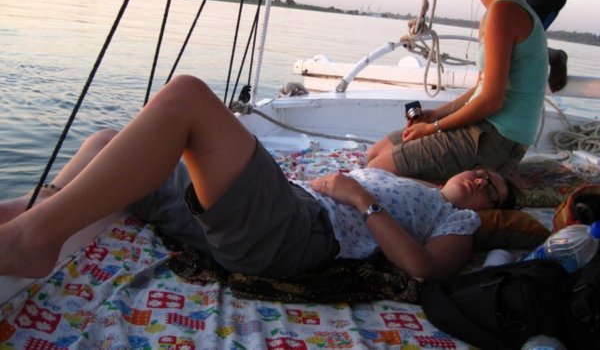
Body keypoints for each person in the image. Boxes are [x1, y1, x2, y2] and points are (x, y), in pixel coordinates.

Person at [0, 75, 517, 283]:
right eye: (481, 171)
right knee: (107, 143)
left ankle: (33, 240)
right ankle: (29, 214)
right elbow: (388, 145)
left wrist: (360, 199)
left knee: (186, 99)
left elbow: (426, 269)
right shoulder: (409, 179)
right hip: (269, 214)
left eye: (491, 188)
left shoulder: (457, 220)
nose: (479, 180)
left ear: (486, 209)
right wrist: (415, 132)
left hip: (296, 232)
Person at [367, 0, 548, 183]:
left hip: (497, 139)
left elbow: (492, 101)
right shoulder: (494, 13)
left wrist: (434, 128)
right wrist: (437, 114)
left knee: (376, 171)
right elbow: (480, 89)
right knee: (375, 153)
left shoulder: (504, 12)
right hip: (484, 128)